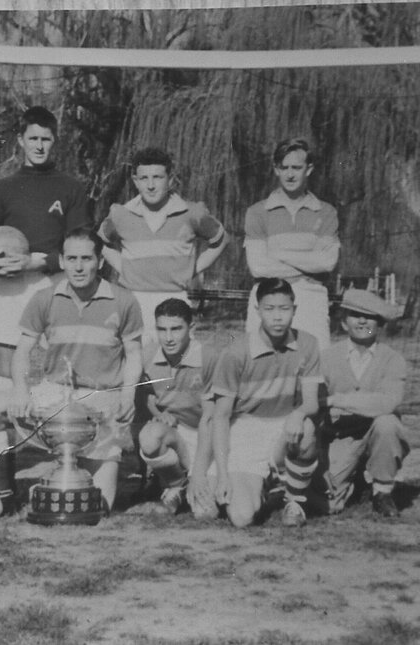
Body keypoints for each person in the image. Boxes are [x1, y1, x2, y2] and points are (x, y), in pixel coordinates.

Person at [0, 227, 143, 517]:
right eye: (72, 258)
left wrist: (128, 396)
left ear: (100, 261)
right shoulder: (44, 298)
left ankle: (66, 474)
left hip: (101, 399)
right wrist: (19, 389)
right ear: (62, 262)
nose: (79, 266)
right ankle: (2, 492)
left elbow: (135, 354)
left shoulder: (123, 300)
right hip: (55, 393)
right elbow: (23, 351)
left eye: (86, 259)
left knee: (99, 506)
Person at [0, 106, 92, 393]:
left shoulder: (71, 188)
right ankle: (7, 436)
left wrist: (38, 262)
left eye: (45, 139)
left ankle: (61, 435)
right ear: (20, 140)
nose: (39, 146)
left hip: (55, 284)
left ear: (55, 141)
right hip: (10, 285)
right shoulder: (4, 189)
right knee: (7, 376)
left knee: (65, 372)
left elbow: (81, 248)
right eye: (32, 138)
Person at [189, 278, 322, 528]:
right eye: (269, 309)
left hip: (283, 425)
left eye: (284, 309)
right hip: (246, 431)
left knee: (307, 429)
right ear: (257, 310)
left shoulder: (308, 344)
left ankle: (294, 500)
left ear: (295, 309)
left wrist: (298, 413)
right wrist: (225, 475)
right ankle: (263, 486)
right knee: (241, 518)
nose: (277, 317)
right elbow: (220, 417)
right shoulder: (236, 353)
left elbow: (312, 403)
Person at [98, 147, 227, 344]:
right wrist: (123, 267)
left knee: (175, 367)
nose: (150, 185)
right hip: (133, 300)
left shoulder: (191, 212)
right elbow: (102, 243)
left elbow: (220, 240)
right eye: (144, 178)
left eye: (157, 177)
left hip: (175, 299)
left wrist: (192, 269)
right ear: (135, 181)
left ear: (171, 179)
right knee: (133, 363)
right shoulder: (120, 214)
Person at [318, 289, 408, 517]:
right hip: (340, 435)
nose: (362, 321)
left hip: (376, 431)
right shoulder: (327, 357)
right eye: (355, 315)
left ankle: (382, 490)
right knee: (330, 502)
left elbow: (387, 402)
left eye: (369, 317)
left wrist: (335, 400)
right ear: (344, 322)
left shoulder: (393, 360)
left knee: (387, 423)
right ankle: (354, 479)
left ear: (380, 324)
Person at [243, 138, 339, 349]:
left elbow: (327, 262)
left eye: (296, 167)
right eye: (284, 167)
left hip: (310, 297)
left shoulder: (326, 212)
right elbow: (258, 267)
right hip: (266, 296)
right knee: (261, 367)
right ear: (276, 170)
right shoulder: (257, 212)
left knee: (315, 364)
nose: (290, 174)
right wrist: (307, 264)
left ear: (309, 169)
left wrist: (277, 253)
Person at [136, 298, 219, 515]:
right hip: (177, 435)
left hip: (208, 435)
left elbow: (213, 418)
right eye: (162, 330)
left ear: (191, 328)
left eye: (176, 329)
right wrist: (159, 413)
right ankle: (176, 484)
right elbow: (143, 395)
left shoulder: (209, 357)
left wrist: (199, 474)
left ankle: (197, 478)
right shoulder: (148, 355)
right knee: (150, 436)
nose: (169, 338)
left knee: (205, 513)